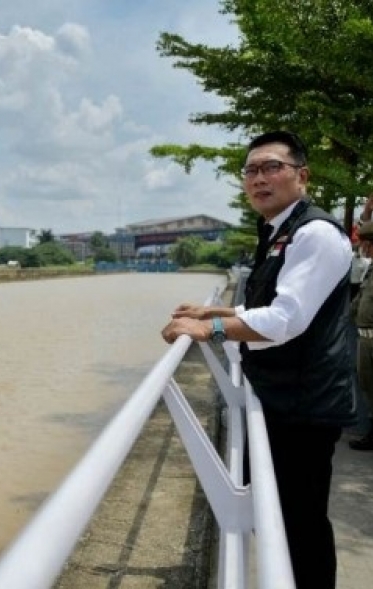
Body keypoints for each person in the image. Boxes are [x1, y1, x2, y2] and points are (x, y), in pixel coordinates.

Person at [161, 130, 355, 589]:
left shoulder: (315, 234)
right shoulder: (279, 230)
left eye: (272, 167)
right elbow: (276, 301)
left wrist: (209, 329)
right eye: (251, 170)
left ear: (301, 175)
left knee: (301, 523)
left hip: (305, 403)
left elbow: (287, 319)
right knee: (285, 517)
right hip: (287, 395)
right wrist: (221, 310)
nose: (259, 178)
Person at [349, 214, 373, 450]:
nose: (363, 247)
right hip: (365, 339)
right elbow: (358, 302)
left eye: (366, 243)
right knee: (368, 388)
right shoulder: (370, 269)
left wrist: (366, 212)